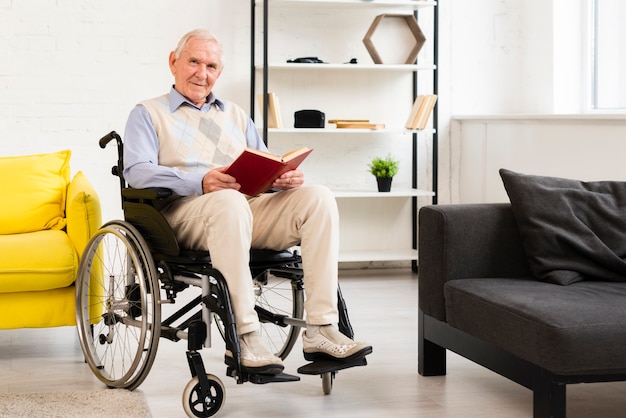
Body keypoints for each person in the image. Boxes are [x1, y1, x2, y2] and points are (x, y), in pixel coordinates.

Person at [123, 29, 371, 375]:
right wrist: (200, 180)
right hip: (182, 215)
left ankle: (321, 329)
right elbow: (137, 172)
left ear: (218, 72)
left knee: (318, 198)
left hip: (243, 209)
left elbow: (264, 159)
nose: (202, 72)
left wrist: (281, 177)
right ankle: (246, 336)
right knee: (227, 201)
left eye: (210, 65)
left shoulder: (236, 115)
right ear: (173, 62)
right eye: (193, 61)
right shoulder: (148, 113)